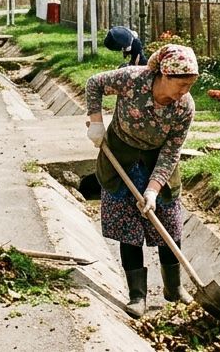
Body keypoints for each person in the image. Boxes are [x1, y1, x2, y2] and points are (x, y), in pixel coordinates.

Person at [84, 44, 200, 319]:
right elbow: (94, 83)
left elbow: (172, 151)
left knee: (169, 227)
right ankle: (137, 296)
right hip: (121, 156)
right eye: (181, 85)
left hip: (156, 163)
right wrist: (96, 121)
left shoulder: (184, 106)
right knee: (129, 230)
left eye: (189, 86)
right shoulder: (132, 80)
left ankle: (174, 288)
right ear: (164, 75)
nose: (184, 92)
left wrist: (152, 189)